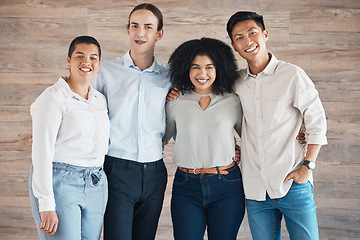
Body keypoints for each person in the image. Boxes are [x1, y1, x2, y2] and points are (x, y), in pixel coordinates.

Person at [226, 11, 328, 240]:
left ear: (265, 34)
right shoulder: (235, 83)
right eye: (239, 37)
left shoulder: (292, 75)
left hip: (293, 184)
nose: (248, 41)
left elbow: (317, 122)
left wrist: (307, 166)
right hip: (255, 190)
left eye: (253, 33)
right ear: (234, 45)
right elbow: (214, 110)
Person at [91, 3, 171, 240]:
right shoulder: (105, 71)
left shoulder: (169, 77)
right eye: (135, 26)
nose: (140, 32)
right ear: (128, 30)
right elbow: (81, 106)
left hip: (156, 171)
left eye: (148, 27)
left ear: (159, 34)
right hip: (117, 169)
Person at [163, 37, 245, 240]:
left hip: (227, 184)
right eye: (195, 67)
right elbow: (160, 138)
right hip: (186, 185)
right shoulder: (175, 101)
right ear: (185, 69)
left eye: (209, 67)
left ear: (220, 68)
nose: (202, 74)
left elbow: (252, 137)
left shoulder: (233, 101)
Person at [29, 36, 110, 240]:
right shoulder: (53, 98)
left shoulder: (100, 100)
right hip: (62, 181)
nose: (86, 62)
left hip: (96, 182)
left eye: (93, 57)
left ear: (99, 65)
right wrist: (46, 203)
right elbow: (41, 152)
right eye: (79, 56)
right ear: (68, 61)